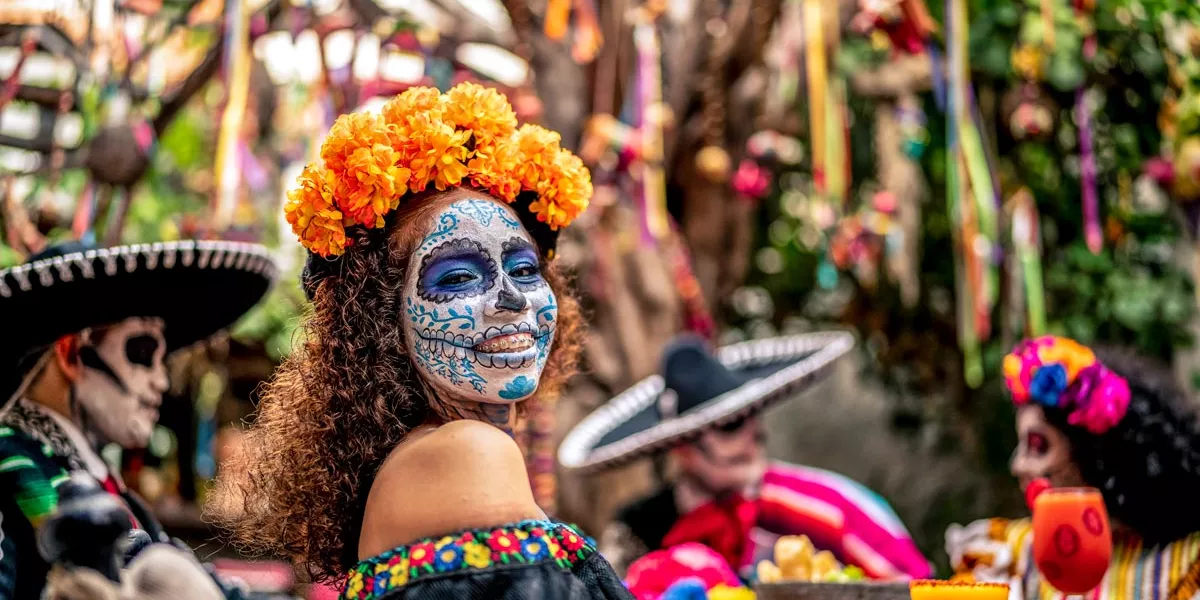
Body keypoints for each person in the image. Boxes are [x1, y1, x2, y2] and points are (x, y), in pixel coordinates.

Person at [210, 83, 633, 600]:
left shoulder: (432, 453)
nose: (513, 300)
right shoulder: (466, 450)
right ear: (384, 319)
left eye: (524, 270)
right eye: (457, 278)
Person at [0, 239, 276, 599]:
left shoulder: (96, 476)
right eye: (142, 351)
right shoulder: (15, 463)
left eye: (163, 359)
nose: (161, 380)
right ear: (71, 354)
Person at [558, 334, 933, 581]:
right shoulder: (636, 530)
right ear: (684, 448)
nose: (754, 435)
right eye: (731, 425)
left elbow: (913, 585)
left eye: (753, 415)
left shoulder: (823, 507)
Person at [947, 336, 1200, 599]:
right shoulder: (1013, 553)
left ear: (1095, 454)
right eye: (1020, 446)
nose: (1018, 465)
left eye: (1038, 446)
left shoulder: (1184, 563)